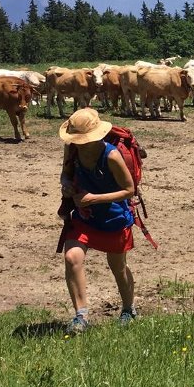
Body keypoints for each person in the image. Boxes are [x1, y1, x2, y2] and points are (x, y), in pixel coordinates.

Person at [57, 107, 138, 334]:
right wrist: (67, 184)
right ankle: (81, 316)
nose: (79, 142)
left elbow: (129, 190)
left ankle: (129, 309)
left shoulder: (111, 155)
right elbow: (65, 173)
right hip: (84, 217)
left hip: (113, 218)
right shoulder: (71, 149)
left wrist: (94, 198)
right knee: (72, 257)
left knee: (118, 267)